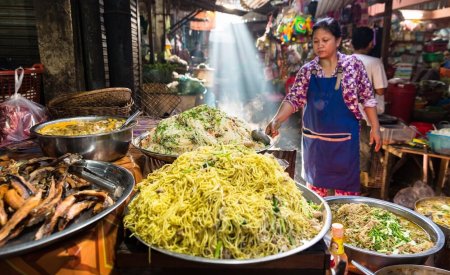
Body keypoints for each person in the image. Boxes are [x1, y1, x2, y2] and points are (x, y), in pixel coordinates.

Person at [265, 18, 381, 197]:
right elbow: (293, 99)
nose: (320, 45)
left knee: (346, 202)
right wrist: (276, 120)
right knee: (316, 199)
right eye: (316, 41)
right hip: (316, 146)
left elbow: (368, 98)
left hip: (345, 143)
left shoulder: (353, 66)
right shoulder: (307, 70)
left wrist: (375, 127)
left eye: (325, 40)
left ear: (338, 41)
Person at [351, 26, 388, 178]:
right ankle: (356, 184)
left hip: (346, 112)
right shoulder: (375, 62)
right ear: (370, 44)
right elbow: (380, 91)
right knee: (362, 150)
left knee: (348, 149)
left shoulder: (344, 60)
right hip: (365, 115)